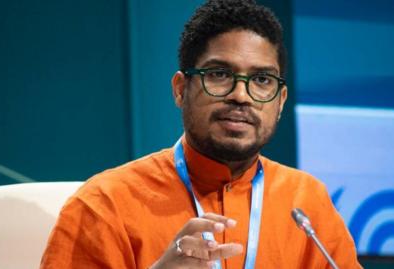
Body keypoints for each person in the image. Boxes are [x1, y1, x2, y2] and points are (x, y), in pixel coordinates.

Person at [40, 0, 362, 268]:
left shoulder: (306, 204)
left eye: (262, 80)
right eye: (220, 74)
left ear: (280, 102)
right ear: (181, 89)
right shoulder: (104, 205)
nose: (241, 94)